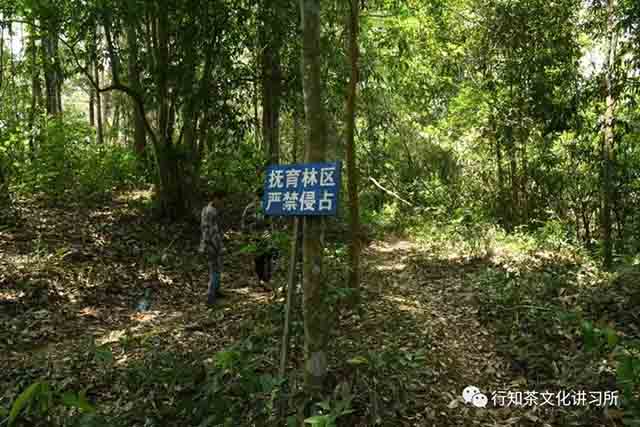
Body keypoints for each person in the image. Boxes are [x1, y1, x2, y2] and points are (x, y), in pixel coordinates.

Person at [241, 188, 276, 289]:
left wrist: (246, 237)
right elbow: (244, 224)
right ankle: (263, 280)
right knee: (262, 259)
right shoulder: (251, 208)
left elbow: (270, 223)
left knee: (264, 259)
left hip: (262, 237)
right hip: (258, 237)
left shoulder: (263, 207)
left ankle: (264, 280)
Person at [199, 191, 226, 305]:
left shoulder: (206, 209)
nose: (222, 203)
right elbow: (212, 232)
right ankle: (210, 297)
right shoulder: (212, 212)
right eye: (221, 200)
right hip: (211, 245)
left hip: (207, 243)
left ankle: (217, 291)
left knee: (217, 268)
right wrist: (219, 246)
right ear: (215, 198)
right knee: (215, 270)